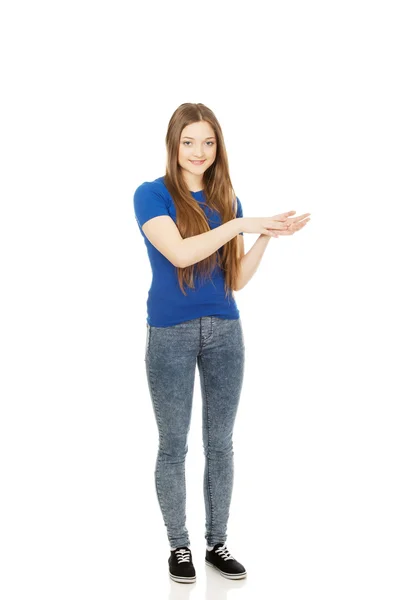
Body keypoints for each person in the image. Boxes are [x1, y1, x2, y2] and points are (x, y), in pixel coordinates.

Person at [133, 103, 310, 584]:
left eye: (208, 142)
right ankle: (179, 546)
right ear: (173, 143)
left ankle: (217, 542)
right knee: (173, 445)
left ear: (218, 146)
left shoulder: (228, 200)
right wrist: (240, 225)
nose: (199, 151)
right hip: (170, 332)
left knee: (221, 444)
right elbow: (181, 252)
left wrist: (267, 235)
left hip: (225, 331)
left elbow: (236, 278)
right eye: (189, 141)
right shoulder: (150, 195)